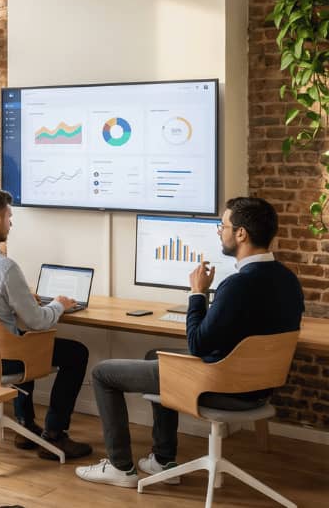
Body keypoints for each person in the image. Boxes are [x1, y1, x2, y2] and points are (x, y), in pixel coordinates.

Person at [76, 197, 304, 488]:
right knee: (154, 354)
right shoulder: (288, 280)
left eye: (222, 226)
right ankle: (162, 459)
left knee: (102, 373)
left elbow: (197, 344)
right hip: (258, 388)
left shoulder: (237, 286)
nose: (220, 232)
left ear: (241, 234)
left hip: (220, 386)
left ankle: (120, 468)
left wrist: (197, 293)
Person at [0, 188, 93, 460]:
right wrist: (59, 304)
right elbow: (38, 322)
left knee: (19, 334)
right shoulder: (4, 267)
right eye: (9, 216)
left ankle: (25, 424)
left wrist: (24, 298)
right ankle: (55, 435)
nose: (11, 223)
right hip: (4, 359)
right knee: (74, 352)